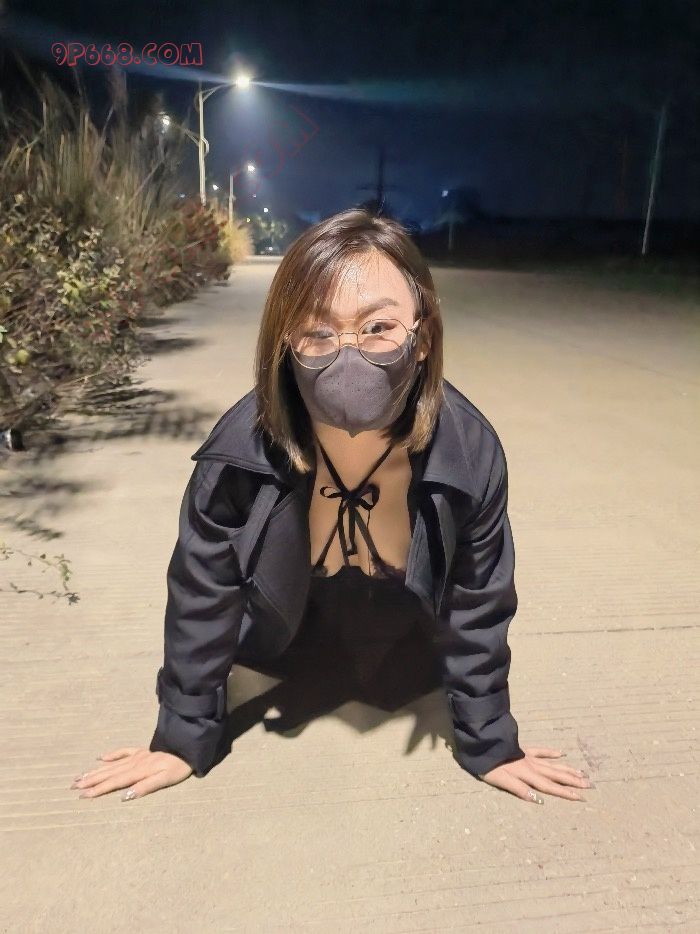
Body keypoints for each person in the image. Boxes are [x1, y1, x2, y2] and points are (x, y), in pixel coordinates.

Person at [71, 208, 592, 805]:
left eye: (379, 328)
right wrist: (181, 738)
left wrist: (490, 742)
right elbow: (202, 591)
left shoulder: (468, 455)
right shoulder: (236, 458)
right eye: (317, 333)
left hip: (409, 650)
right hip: (281, 646)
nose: (349, 357)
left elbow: (480, 601)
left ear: (423, 339)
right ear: (284, 344)